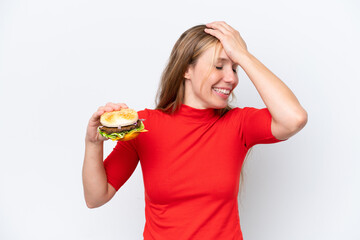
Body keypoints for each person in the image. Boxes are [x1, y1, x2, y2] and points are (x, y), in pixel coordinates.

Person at [82, 21, 308, 240]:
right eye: (219, 66)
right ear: (186, 70)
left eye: (235, 68)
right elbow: (96, 197)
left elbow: (294, 119)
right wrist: (93, 143)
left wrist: (243, 55)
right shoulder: (144, 125)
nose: (231, 78)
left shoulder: (239, 123)